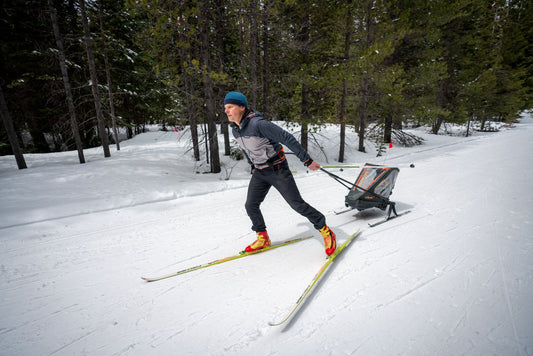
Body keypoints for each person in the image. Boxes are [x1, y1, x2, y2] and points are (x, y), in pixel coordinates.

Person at [224, 91, 337, 256]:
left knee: (297, 204)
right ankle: (262, 238)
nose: (226, 111)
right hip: (260, 172)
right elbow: (246, 148)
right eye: (225, 107)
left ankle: (325, 230)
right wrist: (252, 164)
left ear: (242, 107)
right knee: (251, 205)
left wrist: (307, 160)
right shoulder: (236, 130)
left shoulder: (258, 124)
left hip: (277, 169)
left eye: (230, 107)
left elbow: (287, 138)